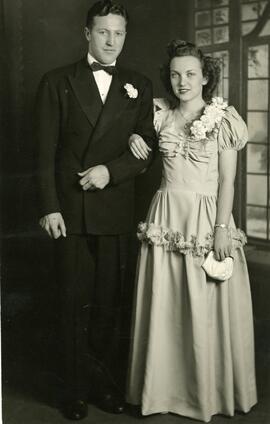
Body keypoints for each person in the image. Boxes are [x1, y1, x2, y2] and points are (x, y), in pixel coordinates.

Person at [35, 0, 156, 420]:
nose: (111, 40)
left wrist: (112, 170)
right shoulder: (57, 81)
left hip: (115, 210)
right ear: (87, 33)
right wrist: (49, 206)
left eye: (118, 32)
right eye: (103, 31)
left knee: (110, 303)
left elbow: (147, 151)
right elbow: (43, 152)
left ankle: (105, 386)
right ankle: (73, 390)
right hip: (70, 211)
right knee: (72, 302)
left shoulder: (138, 84)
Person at [126, 40, 257, 422]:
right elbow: (137, 143)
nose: (182, 81)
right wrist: (135, 137)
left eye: (190, 74)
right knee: (166, 304)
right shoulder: (157, 114)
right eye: (175, 74)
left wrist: (221, 228)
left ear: (205, 77)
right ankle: (162, 389)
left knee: (203, 306)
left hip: (207, 217)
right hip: (166, 216)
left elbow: (228, 183)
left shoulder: (224, 118)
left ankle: (205, 393)